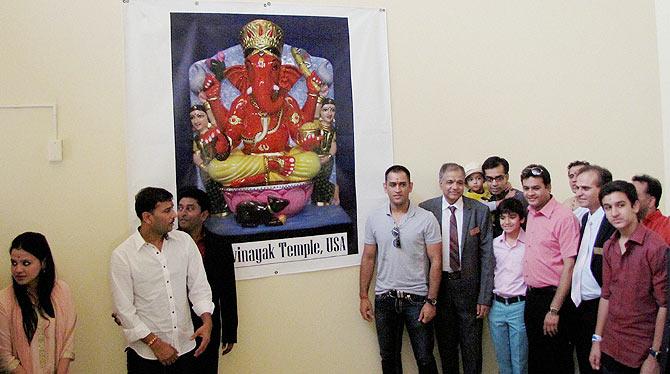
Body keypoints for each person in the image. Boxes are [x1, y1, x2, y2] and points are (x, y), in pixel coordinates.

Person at [110, 187, 214, 373]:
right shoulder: (123, 255)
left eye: (172, 208)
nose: (174, 215)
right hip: (146, 356)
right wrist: (155, 344)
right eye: (167, 211)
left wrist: (207, 321)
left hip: (186, 349)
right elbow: (124, 311)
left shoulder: (184, 242)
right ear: (147, 217)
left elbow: (199, 287)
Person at [359, 165, 442, 374]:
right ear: (385, 187)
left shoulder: (426, 218)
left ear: (410, 187)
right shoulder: (375, 218)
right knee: (388, 358)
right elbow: (368, 258)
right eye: (393, 184)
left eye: (402, 184)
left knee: (424, 358)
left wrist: (431, 301)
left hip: (417, 299)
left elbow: (436, 261)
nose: (398, 189)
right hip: (385, 299)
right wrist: (363, 296)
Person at [419, 162, 494, 374]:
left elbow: (487, 257)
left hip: (470, 290)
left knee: (472, 350)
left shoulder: (479, 211)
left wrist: (484, 296)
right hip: (439, 288)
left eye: (460, 182)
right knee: (446, 348)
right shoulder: (427, 209)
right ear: (440, 183)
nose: (455, 187)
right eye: (450, 182)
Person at [589, 180, 667, 373]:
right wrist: (596, 340)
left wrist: (654, 355)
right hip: (611, 345)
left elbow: (664, 306)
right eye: (608, 208)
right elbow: (606, 295)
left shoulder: (656, 248)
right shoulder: (609, 246)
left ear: (635, 206)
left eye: (620, 205)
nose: (614, 213)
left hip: (641, 350)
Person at [521, 164, 580, 374]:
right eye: (526, 188)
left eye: (536, 188)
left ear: (548, 187)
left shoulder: (563, 217)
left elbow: (569, 266)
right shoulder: (530, 213)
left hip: (555, 301)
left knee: (557, 361)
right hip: (533, 299)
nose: (530, 193)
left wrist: (554, 310)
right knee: (536, 360)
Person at [177, 187, 238, 374]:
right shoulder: (167, 243)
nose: (183, 214)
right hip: (176, 323)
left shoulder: (220, 245)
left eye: (190, 208)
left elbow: (227, 291)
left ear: (203, 215)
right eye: (180, 208)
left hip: (207, 323)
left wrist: (229, 332)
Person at [0, 232, 76, 374]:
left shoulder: (62, 291)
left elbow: (68, 344)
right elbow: (5, 358)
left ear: (44, 263)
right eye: (14, 263)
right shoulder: (4, 300)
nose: (18, 270)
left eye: (26, 263)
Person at [566, 165, 615, 374]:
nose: (578, 193)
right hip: (579, 305)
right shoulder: (584, 217)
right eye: (577, 188)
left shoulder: (612, 221)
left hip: (600, 306)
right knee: (584, 363)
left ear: (602, 190)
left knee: (599, 365)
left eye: (585, 188)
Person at [488, 198, 528, 374]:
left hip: (520, 305)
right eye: (503, 217)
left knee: (520, 361)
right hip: (496, 306)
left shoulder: (530, 244)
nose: (506, 222)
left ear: (522, 219)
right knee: (502, 360)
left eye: (512, 217)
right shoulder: (494, 244)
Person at [189, 104, 229, 216]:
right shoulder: (196, 139)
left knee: (221, 193)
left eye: (200, 116)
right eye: (192, 117)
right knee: (212, 194)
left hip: (219, 169)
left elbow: (215, 121)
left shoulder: (214, 132)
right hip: (206, 172)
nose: (196, 120)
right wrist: (201, 165)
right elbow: (197, 156)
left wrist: (206, 103)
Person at [482, 156, 528, 237]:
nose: (494, 184)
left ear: (506, 177)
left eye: (499, 178)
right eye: (489, 179)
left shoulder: (520, 198)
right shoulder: (483, 197)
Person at [632, 174, 670, 245]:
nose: (629, 199)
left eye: (634, 195)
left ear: (651, 201)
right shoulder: (624, 226)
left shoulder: (666, 227)